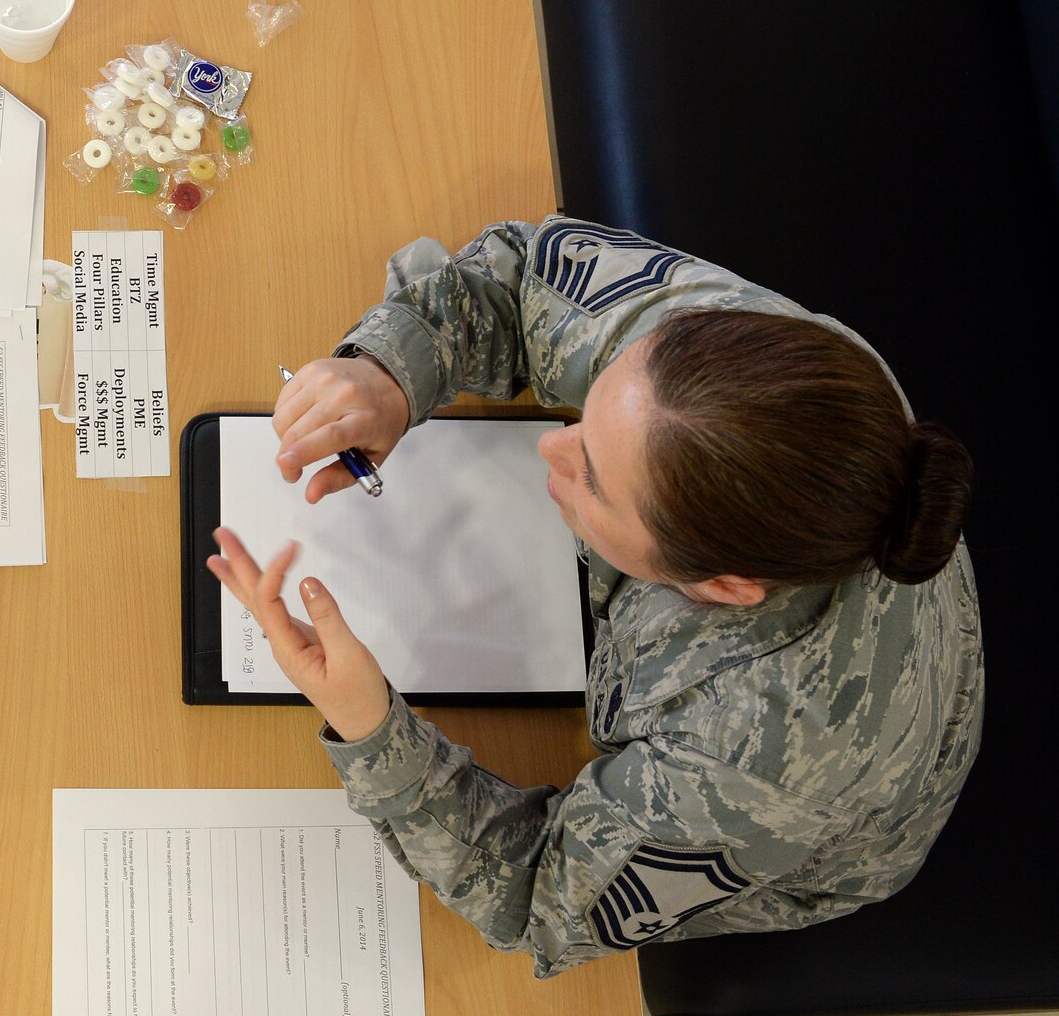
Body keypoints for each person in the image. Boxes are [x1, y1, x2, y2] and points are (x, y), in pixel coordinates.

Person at [209, 217, 982, 976]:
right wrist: (389, 372)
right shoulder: (744, 361)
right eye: (594, 409)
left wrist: (370, 723)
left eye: (596, 480)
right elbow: (521, 280)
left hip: (808, 829)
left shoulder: (755, 764)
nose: (550, 442)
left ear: (720, 587)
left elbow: (536, 899)